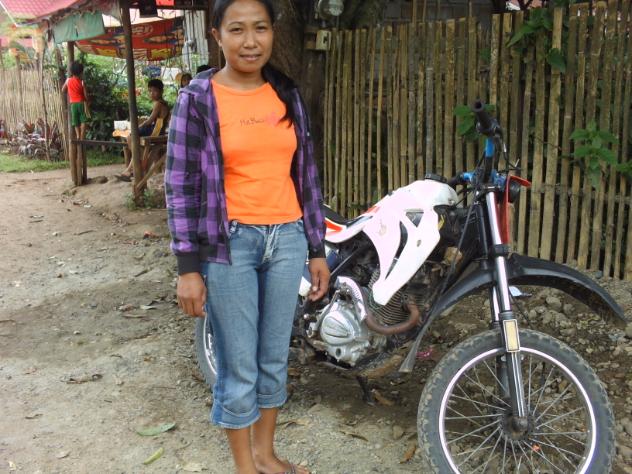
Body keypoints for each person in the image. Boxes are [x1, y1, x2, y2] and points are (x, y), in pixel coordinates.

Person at [165, 1, 329, 473]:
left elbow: (306, 175)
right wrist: (188, 268)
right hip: (228, 245)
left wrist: (316, 248)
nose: (250, 41)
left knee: (274, 357)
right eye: (237, 30)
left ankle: (265, 455)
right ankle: (244, 467)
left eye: (260, 28)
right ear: (217, 35)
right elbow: (179, 186)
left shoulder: (286, 93)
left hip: (288, 238)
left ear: (273, 32)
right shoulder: (198, 100)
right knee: (239, 364)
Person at [118, 79, 171, 180]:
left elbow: (150, 121)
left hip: (155, 131)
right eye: (150, 91)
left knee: (130, 136)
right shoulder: (164, 103)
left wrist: (138, 127)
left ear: (161, 91)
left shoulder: (158, 104)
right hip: (158, 130)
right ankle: (130, 168)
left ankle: (135, 162)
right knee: (136, 142)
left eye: (154, 91)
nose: (152, 93)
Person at [61, 61, 90, 140]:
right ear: (81, 72)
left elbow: (63, 90)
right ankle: (82, 136)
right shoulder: (82, 82)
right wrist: (88, 101)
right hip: (81, 102)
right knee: (83, 119)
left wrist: (70, 91)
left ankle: (77, 135)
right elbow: (86, 95)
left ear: (71, 72)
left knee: (75, 120)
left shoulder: (68, 80)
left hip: (73, 104)